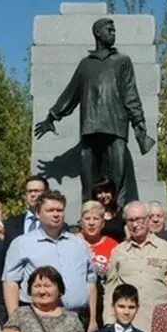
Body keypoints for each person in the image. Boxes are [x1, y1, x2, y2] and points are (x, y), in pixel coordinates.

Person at [33, 17, 149, 207]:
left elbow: (130, 94)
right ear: (98, 33)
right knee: (88, 179)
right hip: (90, 127)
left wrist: (138, 121)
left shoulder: (122, 61)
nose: (113, 33)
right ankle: (89, 214)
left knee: (118, 177)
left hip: (116, 127)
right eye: (109, 30)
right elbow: (70, 94)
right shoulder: (85, 65)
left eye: (114, 30)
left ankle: (118, 215)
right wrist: (52, 116)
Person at [2, 192, 98, 332]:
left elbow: (90, 282)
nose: (56, 214)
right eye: (50, 210)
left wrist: (93, 319)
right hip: (39, 320)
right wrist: (14, 321)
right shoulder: (22, 243)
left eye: (59, 210)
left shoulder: (78, 244)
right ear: (38, 214)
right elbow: (10, 282)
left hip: (78, 319)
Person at [102, 201, 167, 332]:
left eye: (139, 219)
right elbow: (110, 288)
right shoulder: (118, 251)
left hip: (159, 326)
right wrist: (109, 321)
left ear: (148, 219)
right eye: (130, 220)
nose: (135, 225)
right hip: (128, 327)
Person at [79, 200, 119, 284]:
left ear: (103, 224)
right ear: (81, 222)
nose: (91, 223)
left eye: (96, 219)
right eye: (87, 219)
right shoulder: (72, 242)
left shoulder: (112, 245)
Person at [4, 176, 48, 243]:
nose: (33, 194)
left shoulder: (56, 224)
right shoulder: (10, 224)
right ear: (25, 195)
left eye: (37, 191)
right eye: (30, 191)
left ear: (46, 193)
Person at [91, 178, 125, 242]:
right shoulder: (90, 214)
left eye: (106, 191)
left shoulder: (122, 213)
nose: (103, 196)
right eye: (99, 192)